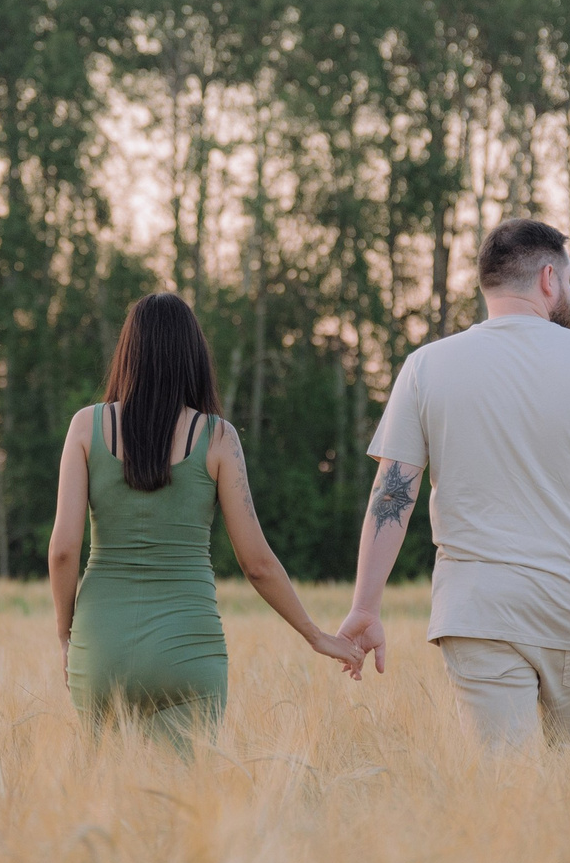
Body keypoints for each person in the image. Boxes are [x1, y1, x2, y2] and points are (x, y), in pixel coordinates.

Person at [336, 218, 570, 748]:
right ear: (548, 278)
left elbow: (392, 496)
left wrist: (364, 608)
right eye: (567, 281)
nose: (566, 292)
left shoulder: (426, 366)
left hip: (478, 609)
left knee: (501, 786)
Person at [49, 293, 364, 748]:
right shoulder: (217, 437)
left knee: (108, 805)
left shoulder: (85, 427)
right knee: (185, 810)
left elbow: (63, 551)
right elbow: (257, 563)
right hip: (189, 653)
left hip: (100, 648)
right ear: (193, 357)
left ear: (127, 354)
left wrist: (66, 635)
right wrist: (316, 636)